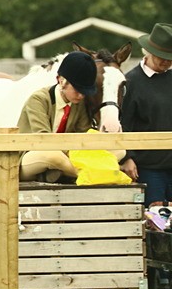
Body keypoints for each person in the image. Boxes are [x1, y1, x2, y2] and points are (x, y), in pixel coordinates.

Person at [17, 50, 118, 182]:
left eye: (85, 92)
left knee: (119, 151)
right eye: (77, 90)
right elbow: (43, 140)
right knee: (53, 156)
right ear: (61, 80)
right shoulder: (38, 99)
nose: (81, 96)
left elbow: (84, 134)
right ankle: (92, 175)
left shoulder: (78, 103)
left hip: (67, 155)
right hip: (31, 156)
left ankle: (87, 172)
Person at [119, 23, 172, 206]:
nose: (166, 62)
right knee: (155, 221)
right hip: (148, 167)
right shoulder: (130, 82)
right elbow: (123, 123)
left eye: (170, 58)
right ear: (148, 52)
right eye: (162, 57)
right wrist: (127, 157)